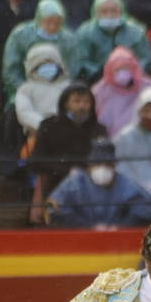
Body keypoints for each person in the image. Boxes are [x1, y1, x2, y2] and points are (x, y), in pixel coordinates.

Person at [29, 82, 107, 224]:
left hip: (89, 186)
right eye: (76, 101)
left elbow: (104, 160)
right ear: (65, 104)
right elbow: (37, 161)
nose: (82, 106)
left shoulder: (99, 130)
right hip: (55, 183)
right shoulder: (49, 126)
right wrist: (67, 170)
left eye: (86, 102)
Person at [47, 137, 151, 228]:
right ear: (89, 166)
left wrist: (120, 227)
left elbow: (145, 210)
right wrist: (88, 227)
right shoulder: (75, 183)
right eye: (97, 163)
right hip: (80, 240)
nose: (102, 168)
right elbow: (54, 209)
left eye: (107, 164)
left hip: (118, 240)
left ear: (114, 165)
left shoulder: (126, 184)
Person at [2, 0, 81, 101]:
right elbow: (11, 69)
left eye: (57, 23)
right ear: (39, 19)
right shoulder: (21, 35)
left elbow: (72, 69)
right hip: (25, 91)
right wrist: (24, 90)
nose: (52, 27)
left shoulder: (68, 40)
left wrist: (60, 90)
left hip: (58, 92)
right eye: (48, 22)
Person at [71, 0, 151, 84]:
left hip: (132, 81)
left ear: (121, 11)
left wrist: (133, 71)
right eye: (104, 11)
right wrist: (99, 73)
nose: (109, 15)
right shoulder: (85, 33)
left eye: (113, 11)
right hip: (96, 82)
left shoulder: (136, 32)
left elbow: (147, 59)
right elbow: (80, 61)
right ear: (96, 12)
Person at [15, 42, 72, 137]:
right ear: (32, 66)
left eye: (51, 63)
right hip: (37, 134)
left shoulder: (67, 87)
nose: (48, 66)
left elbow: (74, 108)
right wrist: (44, 125)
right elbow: (24, 112)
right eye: (42, 64)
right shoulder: (26, 89)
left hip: (67, 133)